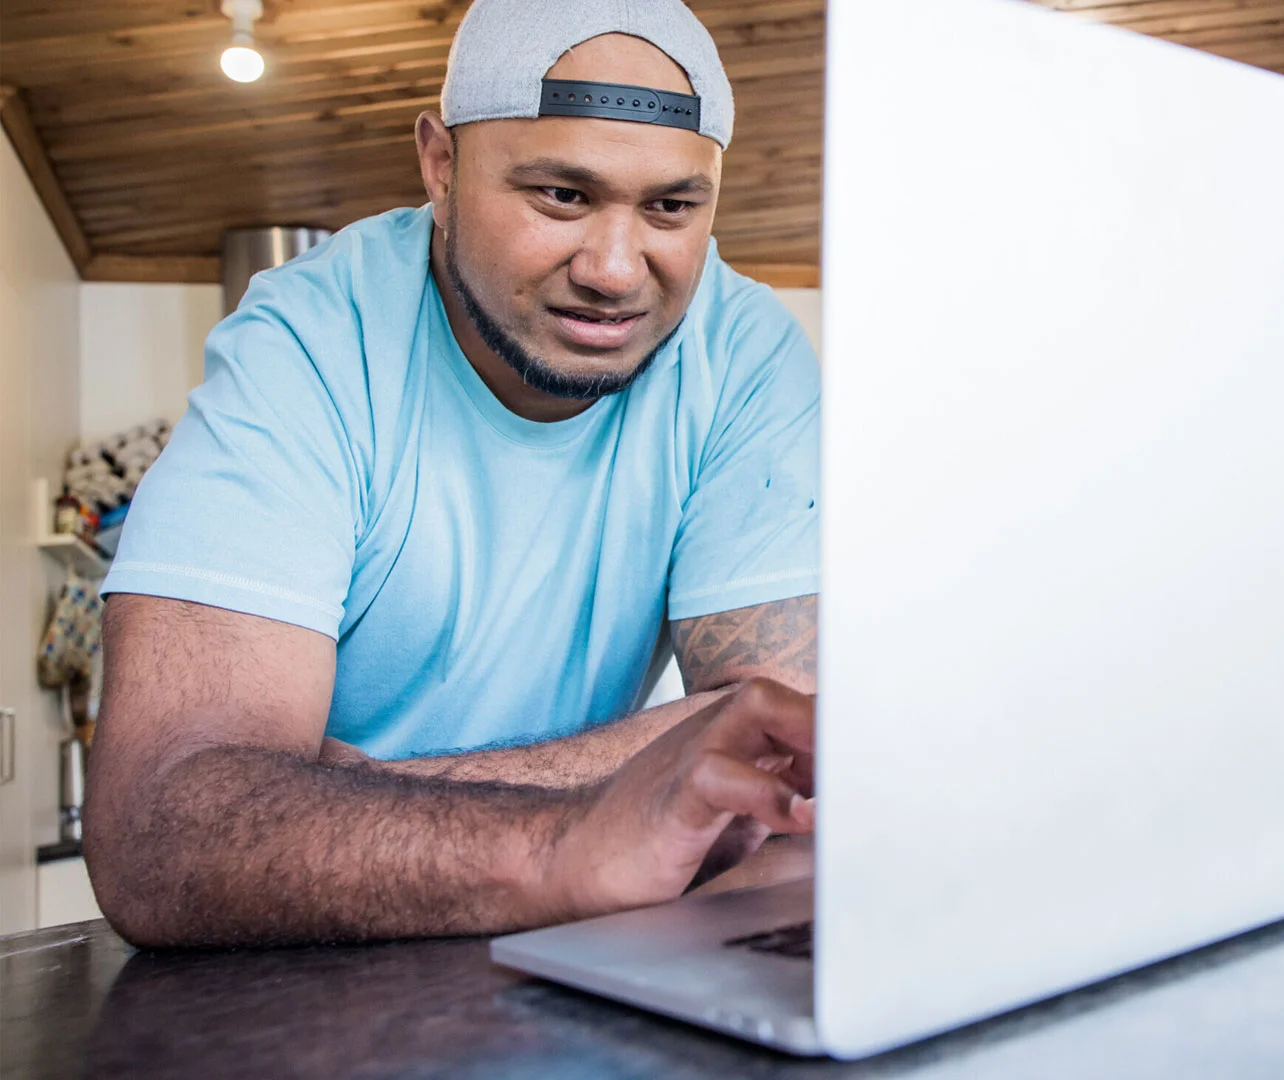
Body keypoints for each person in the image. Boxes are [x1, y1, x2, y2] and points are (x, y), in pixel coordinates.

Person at [84, 0, 821, 948]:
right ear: (441, 167)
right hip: (297, 968)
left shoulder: (745, 351)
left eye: (670, 207)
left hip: (564, 948)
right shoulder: (311, 340)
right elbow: (162, 829)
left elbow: (780, 758)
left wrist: (339, 794)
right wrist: (568, 837)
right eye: (561, 195)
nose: (613, 269)